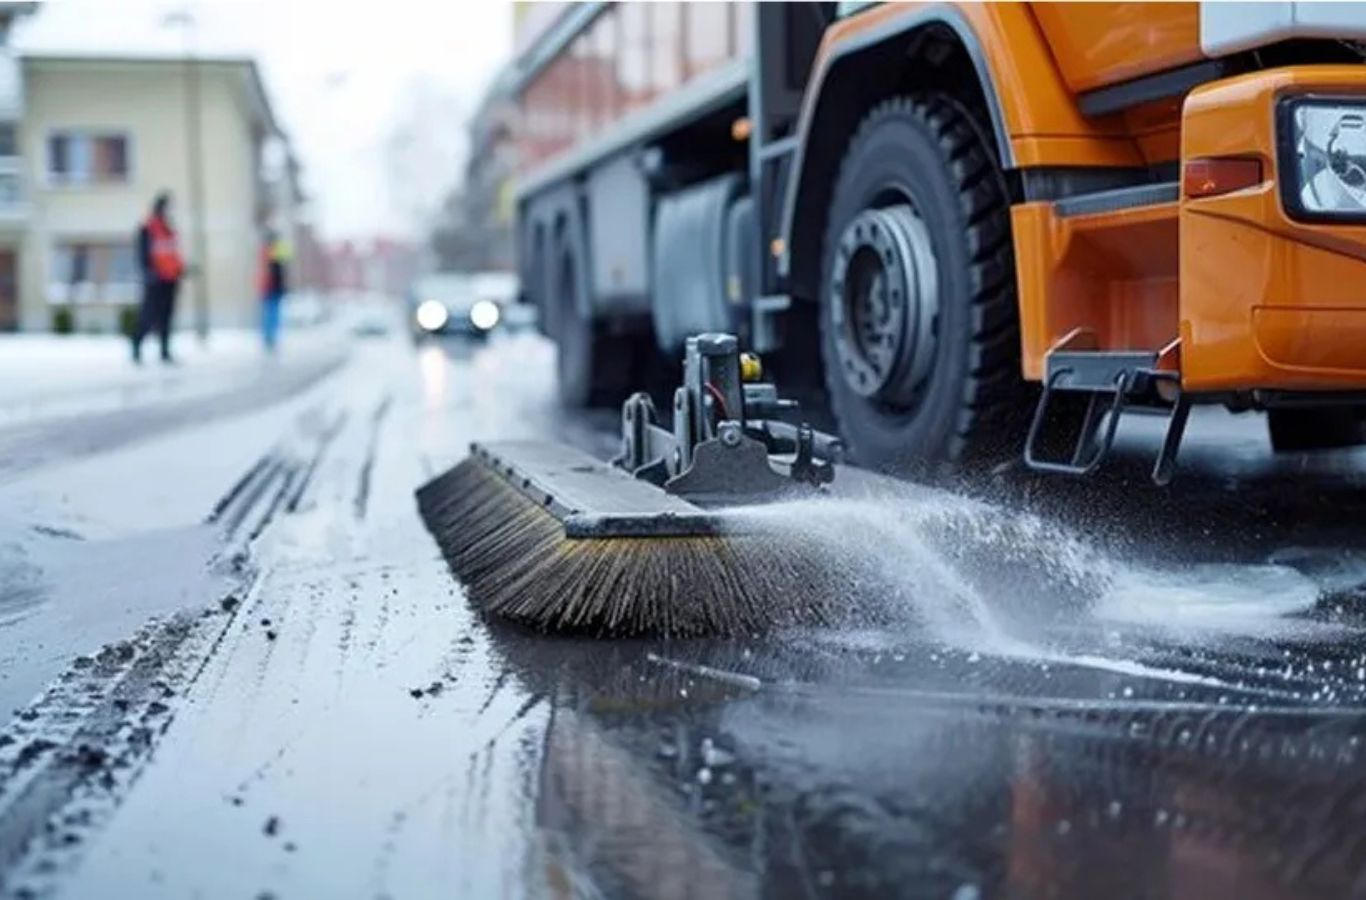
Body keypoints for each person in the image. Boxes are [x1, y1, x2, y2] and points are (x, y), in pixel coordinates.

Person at [132, 192, 184, 364]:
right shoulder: (148, 228)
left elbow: (173, 253)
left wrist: (181, 269)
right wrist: (147, 271)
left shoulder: (170, 229)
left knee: (166, 316)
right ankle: (137, 346)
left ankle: (164, 350)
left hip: (170, 279)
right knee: (148, 315)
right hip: (155, 280)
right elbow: (143, 252)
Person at [258, 230, 288, 352]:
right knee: (271, 314)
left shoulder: (272, 252)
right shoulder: (269, 252)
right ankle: (269, 338)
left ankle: (270, 338)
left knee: (272, 314)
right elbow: (277, 270)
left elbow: (282, 269)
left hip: (273, 288)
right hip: (270, 287)